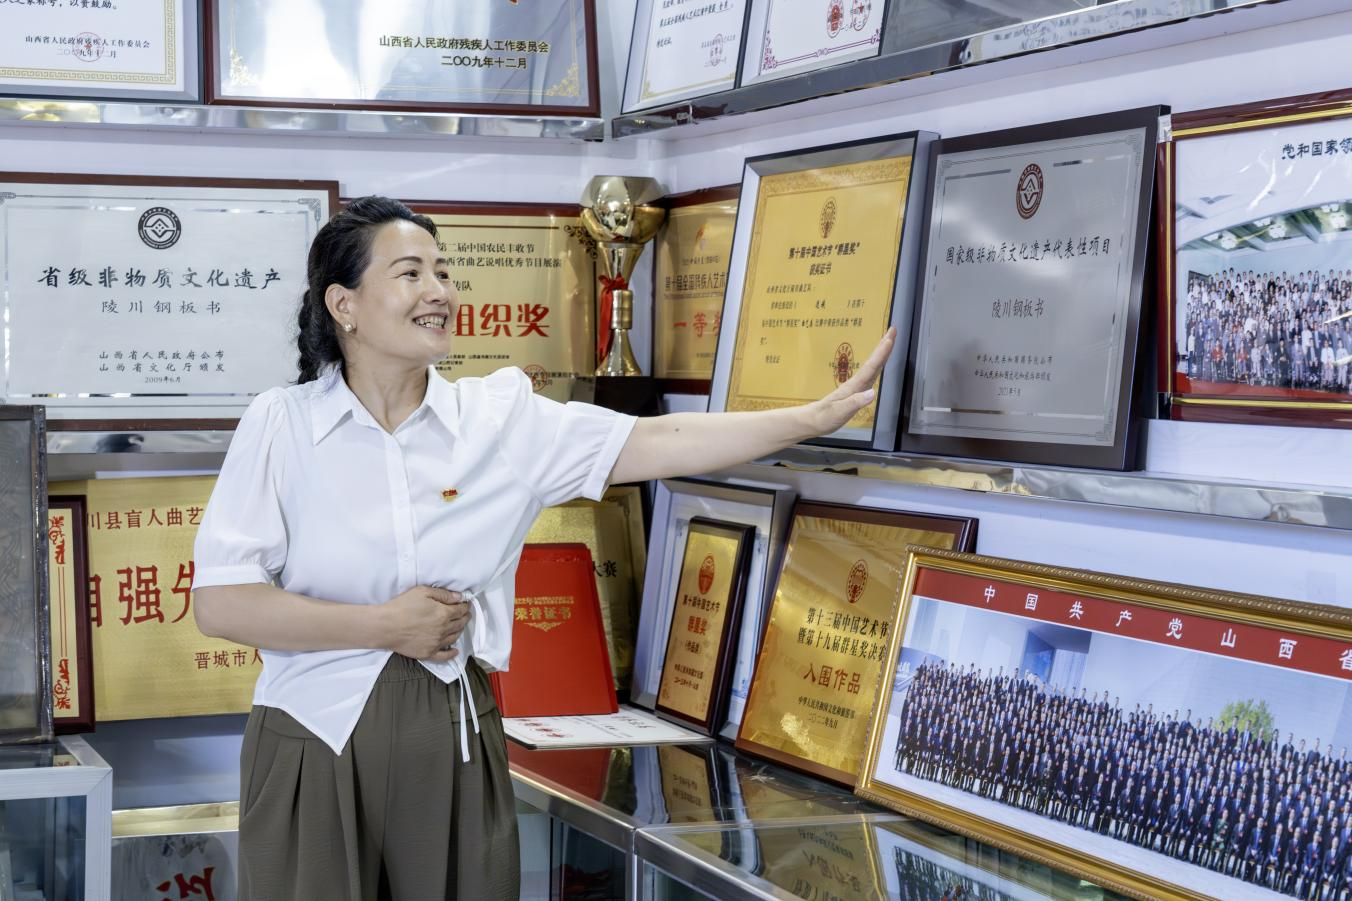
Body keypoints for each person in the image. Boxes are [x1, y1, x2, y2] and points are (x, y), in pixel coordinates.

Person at [191, 197, 892, 900]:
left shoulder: (498, 420)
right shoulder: (282, 425)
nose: (439, 291)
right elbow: (222, 603)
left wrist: (810, 418)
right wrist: (384, 626)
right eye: (410, 273)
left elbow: (654, 442)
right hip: (312, 732)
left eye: (443, 272)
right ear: (343, 304)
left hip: (449, 730)